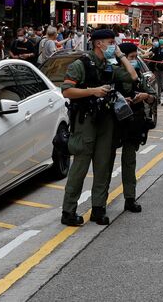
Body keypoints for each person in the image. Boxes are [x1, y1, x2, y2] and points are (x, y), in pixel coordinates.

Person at [59, 29, 126, 226]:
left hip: (105, 120)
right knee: (80, 167)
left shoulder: (109, 65)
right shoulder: (81, 64)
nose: (113, 45)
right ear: (99, 44)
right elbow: (66, 91)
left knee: (103, 166)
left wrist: (120, 56)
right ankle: (68, 211)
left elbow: (131, 76)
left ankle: (98, 209)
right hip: (85, 122)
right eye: (110, 42)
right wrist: (92, 91)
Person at [113, 43, 158, 213]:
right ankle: (99, 204)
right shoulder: (111, 73)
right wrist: (120, 99)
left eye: (135, 57)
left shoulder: (138, 75)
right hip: (114, 124)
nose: (134, 61)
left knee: (129, 161)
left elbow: (153, 98)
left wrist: (145, 96)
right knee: (106, 163)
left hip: (132, 124)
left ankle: (130, 198)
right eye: (131, 58)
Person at [148, 34, 163, 105]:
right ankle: (158, 99)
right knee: (157, 85)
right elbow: (149, 54)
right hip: (156, 69)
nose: (161, 40)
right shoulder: (157, 48)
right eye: (160, 38)